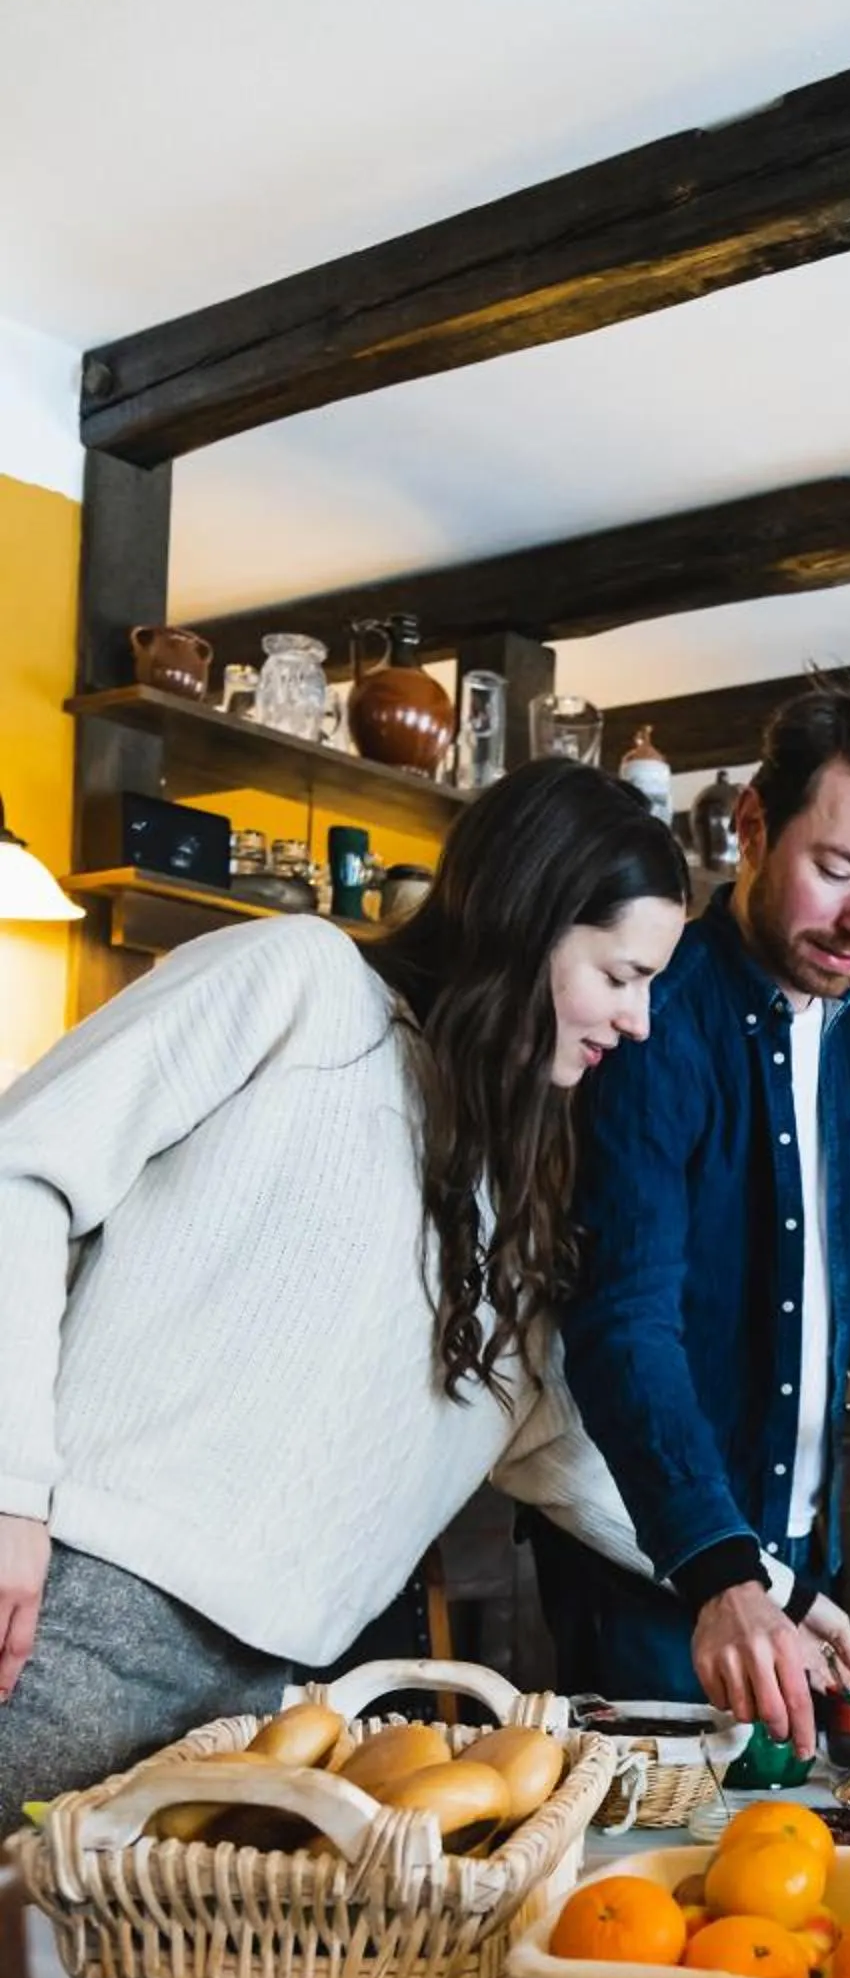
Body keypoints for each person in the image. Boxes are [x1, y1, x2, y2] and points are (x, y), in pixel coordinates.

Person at [0, 760, 689, 1835]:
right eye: (620, 974)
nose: (639, 1020)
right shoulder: (301, 982)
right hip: (66, 1613)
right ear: (529, 922)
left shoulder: (508, 1179)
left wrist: (757, 1586)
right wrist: (9, 1493)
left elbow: (551, 1447)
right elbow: (20, 1172)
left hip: (265, 1697)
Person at [539, 676, 850, 1751]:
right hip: (666, 1561)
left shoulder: (844, 1027)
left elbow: (839, 1237)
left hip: (799, 1561)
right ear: (751, 825)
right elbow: (622, 1317)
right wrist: (718, 1562)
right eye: (837, 871)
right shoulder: (658, 1015)